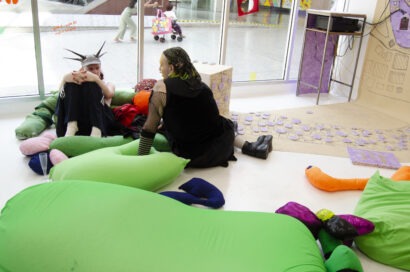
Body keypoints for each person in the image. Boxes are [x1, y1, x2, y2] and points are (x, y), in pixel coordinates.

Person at [137, 46, 273, 168]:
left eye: (161, 65)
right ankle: (250, 147)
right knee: (225, 124)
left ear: (172, 68)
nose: (159, 69)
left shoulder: (162, 88)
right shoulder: (202, 87)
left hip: (190, 155)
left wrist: (140, 158)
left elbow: (149, 128)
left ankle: (250, 146)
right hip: (219, 149)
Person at [55, 42, 116, 138]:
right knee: (71, 84)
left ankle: (97, 130)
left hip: (101, 119)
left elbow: (109, 95)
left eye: (97, 68)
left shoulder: (108, 84)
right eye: (90, 69)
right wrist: (65, 78)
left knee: (93, 85)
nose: (95, 71)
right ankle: (72, 125)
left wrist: (96, 79)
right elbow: (61, 95)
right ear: (82, 69)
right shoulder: (76, 84)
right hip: (80, 119)